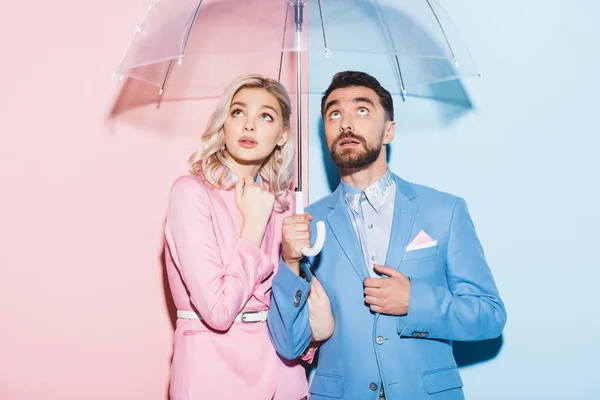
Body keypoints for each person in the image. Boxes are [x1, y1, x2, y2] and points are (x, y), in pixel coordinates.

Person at [267, 71, 507, 400]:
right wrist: (290, 262)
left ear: (389, 131)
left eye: (361, 110)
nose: (346, 123)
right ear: (325, 133)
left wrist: (414, 302)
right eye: (334, 113)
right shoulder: (305, 224)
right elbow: (289, 344)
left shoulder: (444, 211)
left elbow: (489, 316)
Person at [164, 74, 308, 400]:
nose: (249, 126)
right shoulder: (191, 193)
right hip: (214, 376)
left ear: (282, 135)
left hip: (284, 378)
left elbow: (289, 311)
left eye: (265, 116)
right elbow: (217, 311)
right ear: (223, 124)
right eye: (238, 112)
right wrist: (254, 227)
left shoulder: (283, 206)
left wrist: (293, 263)